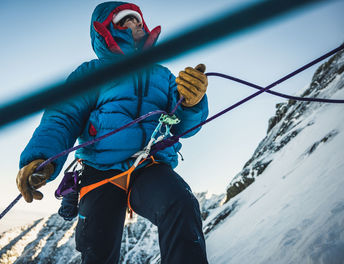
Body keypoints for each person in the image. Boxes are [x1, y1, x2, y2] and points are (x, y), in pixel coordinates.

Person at [16, 1, 209, 263]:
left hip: (150, 165)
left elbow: (185, 127)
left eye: (138, 20)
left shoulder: (163, 76)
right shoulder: (91, 74)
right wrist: (41, 159)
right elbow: (62, 117)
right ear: (107, 30)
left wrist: (193, 103)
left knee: (180, 203)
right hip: (100, 170)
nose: (136, 24)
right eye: (126, 20)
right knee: (97, 248)